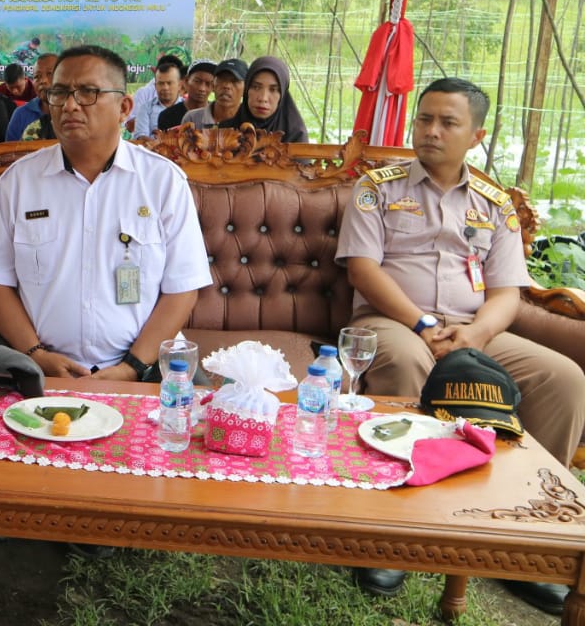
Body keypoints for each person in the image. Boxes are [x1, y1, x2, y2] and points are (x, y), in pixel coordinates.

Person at [337, 77, 585, 613]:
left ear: (476, 134)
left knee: (563, 377)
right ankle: (392, 534)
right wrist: (424, 324)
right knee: (404, 361)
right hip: (393, 320)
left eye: (448, 122)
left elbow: (507, 293)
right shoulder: (378, 187)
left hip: (470, 329)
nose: (431, 130)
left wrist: (476, 335)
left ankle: (528, 536)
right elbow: (362, 269)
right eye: (424, 118)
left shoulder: (495, 204)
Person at [0, 45, 212, 388]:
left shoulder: (163, 182)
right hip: (33, 355)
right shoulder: (19, 181)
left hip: (145, 358)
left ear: (124, 107)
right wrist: (36, 354)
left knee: (197, 411)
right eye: (59, 92)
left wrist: (132, 366)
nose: (69, 105)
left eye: (88, 93)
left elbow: (182, 289)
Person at [217, 56, 309, 143]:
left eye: (273, 90)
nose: (263, 98)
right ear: (247, 89)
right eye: (256, 87)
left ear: (282, 95)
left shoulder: (295, 136)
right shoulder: (225, 130)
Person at [5, 53, 58, 142]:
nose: (43, 81)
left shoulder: (75, 113)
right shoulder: (20, 114)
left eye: (50, 74)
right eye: (37, 76)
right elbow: (9, 153)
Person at [129, 54, 185, 138]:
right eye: (161, 83)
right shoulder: (145, 108)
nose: (165, 88)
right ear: (155, 86)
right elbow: (141, 138)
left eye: (169, 83)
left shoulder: (187, 108)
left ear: (180, 85)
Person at [182, 58, 247, 129]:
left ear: (246, 88)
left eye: (234, 81)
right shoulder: (192, 118)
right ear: (213, 84)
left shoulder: (249, 123)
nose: (226, 86)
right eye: (222, 79)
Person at [155, 59, 215, 131]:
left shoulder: (218, 114)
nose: (202, 88)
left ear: (214, 86)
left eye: (208, 84)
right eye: (197, 81)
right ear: (186, 81)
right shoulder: (167, 116)